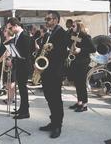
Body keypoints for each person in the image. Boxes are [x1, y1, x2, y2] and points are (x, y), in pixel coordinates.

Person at [39, 11, 68, 139]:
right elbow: (42, 50)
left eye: (48, 19)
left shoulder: (62, 33)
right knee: (49, 98)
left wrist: (51, 49)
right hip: (46, 71)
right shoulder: (47, 34)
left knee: (56, 99)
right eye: (46, 19)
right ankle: (53, 121)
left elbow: (62, 54)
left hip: (55, 72)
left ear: (56, 20)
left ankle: (58, 126)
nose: (46, 21)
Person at [6, 17, 31, 120]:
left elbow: (26, 53)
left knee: (23, 89)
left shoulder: (25, 35)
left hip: (23, 66)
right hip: (18, 65)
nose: (9, 30)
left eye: (10, 28)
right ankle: (22, 108)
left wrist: (15, 57)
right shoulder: (17, 35)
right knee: (21, 89)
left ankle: (25, 112)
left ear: (16, 26)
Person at [68, 22, 96, 112]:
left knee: (81, 84)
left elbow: (93, 49)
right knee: (77, 83)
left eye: (73, 26)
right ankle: (79, 102)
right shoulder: (76, 36)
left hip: (83, 62)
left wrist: (80, 50)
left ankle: (85, 104)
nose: (72, 28)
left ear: (79, 27)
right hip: (76, 61)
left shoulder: (86, 36)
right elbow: (72, 44)